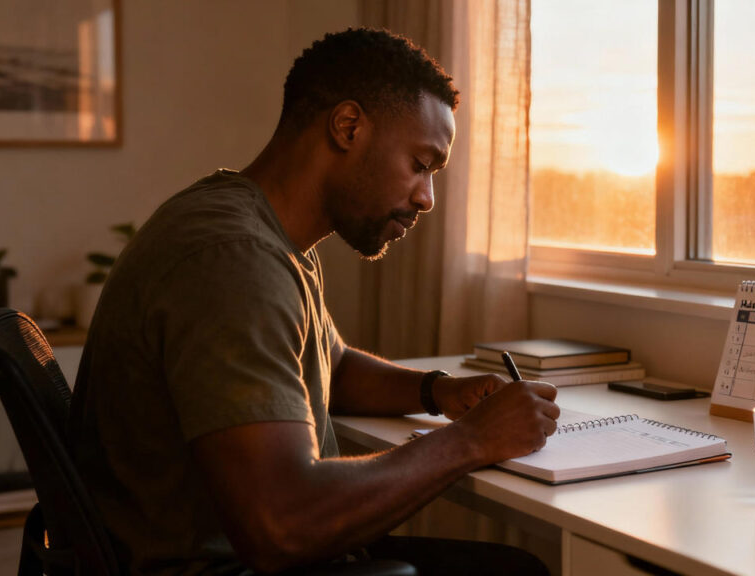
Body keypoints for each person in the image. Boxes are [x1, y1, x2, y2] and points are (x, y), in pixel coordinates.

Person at [69, 28, 559, 576]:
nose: (427, 197)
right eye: (421, 164)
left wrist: (438, 391)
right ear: (348, 126)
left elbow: (332, 365)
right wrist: (472, 441)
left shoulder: (258, 229)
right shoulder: (235, 260)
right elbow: (283, 524)